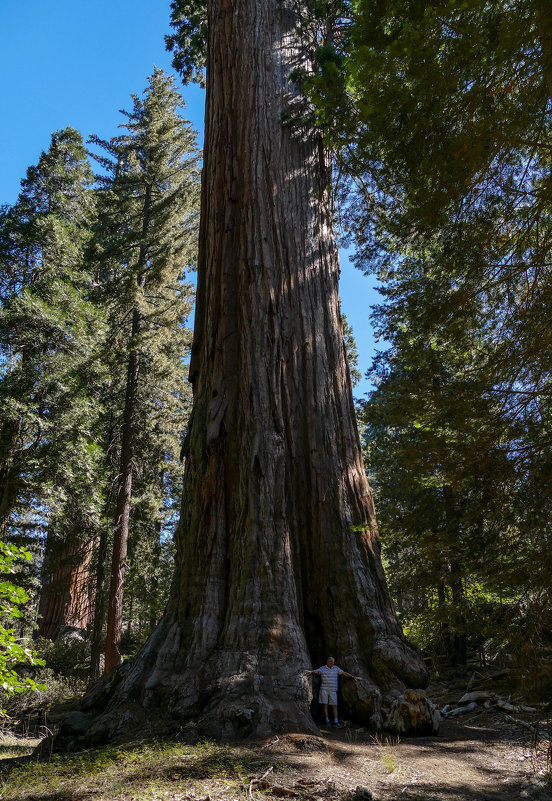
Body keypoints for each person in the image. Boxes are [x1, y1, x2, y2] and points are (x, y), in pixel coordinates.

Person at [306, 656, 361, 729]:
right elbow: (317, 671)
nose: (332, 664)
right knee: (325, 705)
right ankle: (327, 721)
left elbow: (344, 673)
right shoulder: (323, 668)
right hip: (324, 689)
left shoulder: (336, 668)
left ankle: (336, 721)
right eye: (331, 662)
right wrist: (311, 672)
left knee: (334, 705)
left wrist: (353, 677)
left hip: (333, 690)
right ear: (328, 662)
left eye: (333, 663)